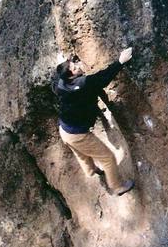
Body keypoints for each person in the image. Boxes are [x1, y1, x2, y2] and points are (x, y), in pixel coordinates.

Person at [54, 48, 135, 196]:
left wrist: (62, 63)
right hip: (78, 134)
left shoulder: (61, 84)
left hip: (64, 130)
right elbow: (102, 78)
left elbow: (59, 73)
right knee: (108, 158)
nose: (77, 65)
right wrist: (120, 62)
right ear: (71, 75)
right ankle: (117, 187)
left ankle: (91, 171)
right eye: (73, 67)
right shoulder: (83, 84)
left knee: (81, 154)